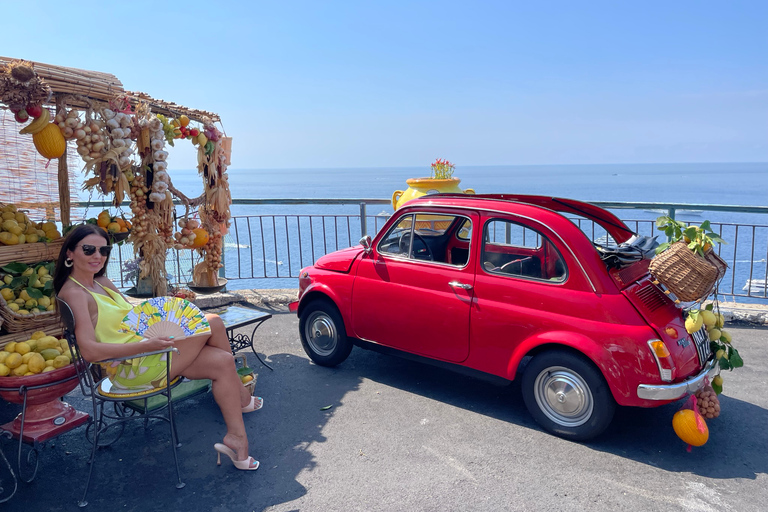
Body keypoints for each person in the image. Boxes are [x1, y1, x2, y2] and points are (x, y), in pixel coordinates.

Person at [54, 224, 262, 471]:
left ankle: (237, 438)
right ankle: (242, 398)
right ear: (70, 253)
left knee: (222, 361)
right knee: (213, 322)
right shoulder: (76, 293)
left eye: (104, 250)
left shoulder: (102, 282)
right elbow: (89, 351)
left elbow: (134, 317)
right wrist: (147, 345)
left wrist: (165, 311)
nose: (98, 256)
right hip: (132, 370)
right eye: (89, 250)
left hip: (150, 353)